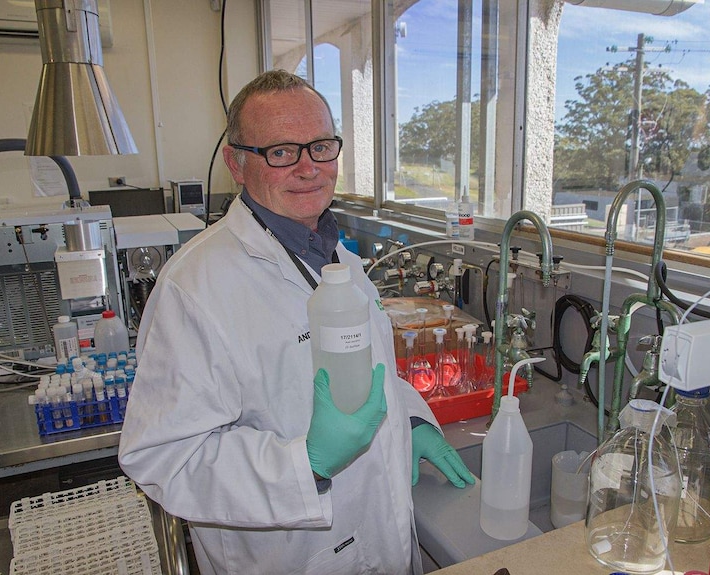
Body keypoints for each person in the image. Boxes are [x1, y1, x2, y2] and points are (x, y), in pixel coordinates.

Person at [118, 69, 474, 575]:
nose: (309, 169)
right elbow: (164, 458)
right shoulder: (193, 288)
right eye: (282, 152)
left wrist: (409, 418)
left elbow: (364, 373)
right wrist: (302, 464)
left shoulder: (337, 259)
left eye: (321, 146)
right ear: (236, 164)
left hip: (382, 539)